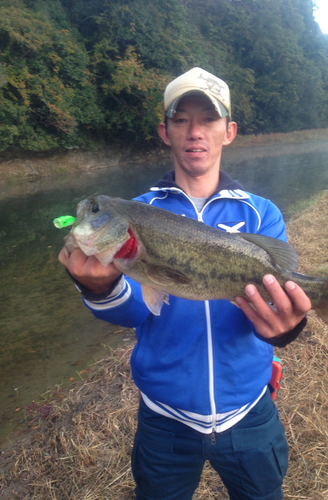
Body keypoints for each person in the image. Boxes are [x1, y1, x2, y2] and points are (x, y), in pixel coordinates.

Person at [59, 67, 312, 500]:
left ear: (228, 131)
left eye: (208, 119)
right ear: (165, 131)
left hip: (249, 410)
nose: (195, 132)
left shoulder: (260, 213)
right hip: (164, 419)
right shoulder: (138, 210)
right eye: (181, 119)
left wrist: (289, 327)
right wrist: (99, 289)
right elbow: (139, 307)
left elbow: (273, 313)